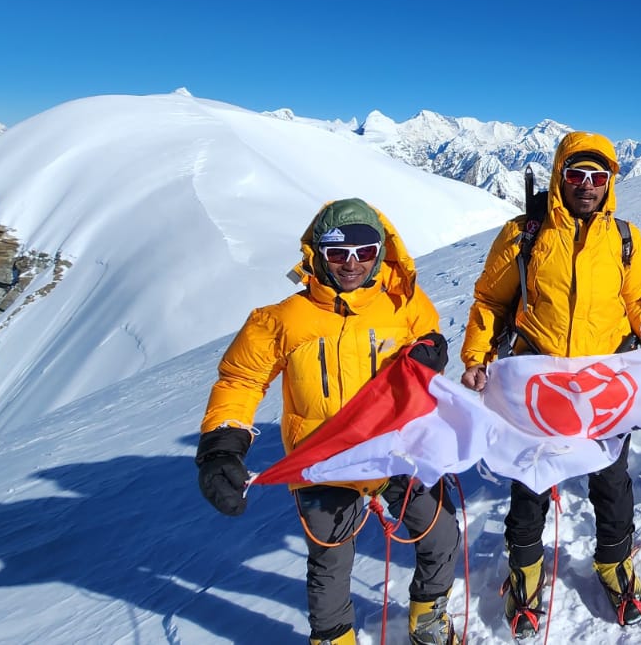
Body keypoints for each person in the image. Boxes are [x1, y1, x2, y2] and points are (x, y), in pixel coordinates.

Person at [196, 198, 461, 645]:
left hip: (395, 447)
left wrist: (434, 348)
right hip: (323, 458)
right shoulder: (282, 320)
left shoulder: (405, 302)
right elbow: (242, 377)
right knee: (330, 564)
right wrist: (222, 443)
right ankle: (334, 638)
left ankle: (428, 619)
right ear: (317, 253)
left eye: (365, 250)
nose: (352, 263)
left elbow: (426, 336)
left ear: (382, 252)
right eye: (338, 252)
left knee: (440, 531)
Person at [461, 131, 641, 636]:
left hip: (603, 383)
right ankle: (526, 569)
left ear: (610, 184)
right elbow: (491, 302)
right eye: (577, 174)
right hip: (537, 380)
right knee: (531, 481)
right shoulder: (524, 233)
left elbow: (637, 302)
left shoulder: (625, 240)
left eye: (597, 177)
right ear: (560, 176)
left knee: (611, 480)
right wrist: (477, 356)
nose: (587, 185)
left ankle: (614, 561)